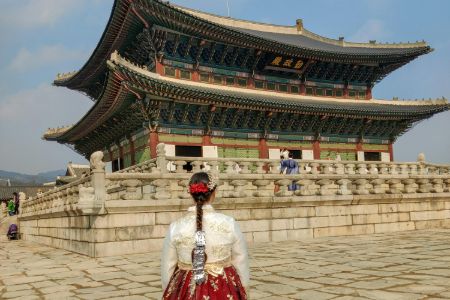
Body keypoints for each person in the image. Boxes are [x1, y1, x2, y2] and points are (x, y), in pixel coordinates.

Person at [161, 172, 249, 299]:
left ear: (191, 194)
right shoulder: (229, 223)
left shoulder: (175, 227)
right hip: (223, 286)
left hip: (186, 287)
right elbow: (241, 260)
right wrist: (244, 288)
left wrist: (168, 291)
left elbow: (167, 267)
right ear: (214, 193)